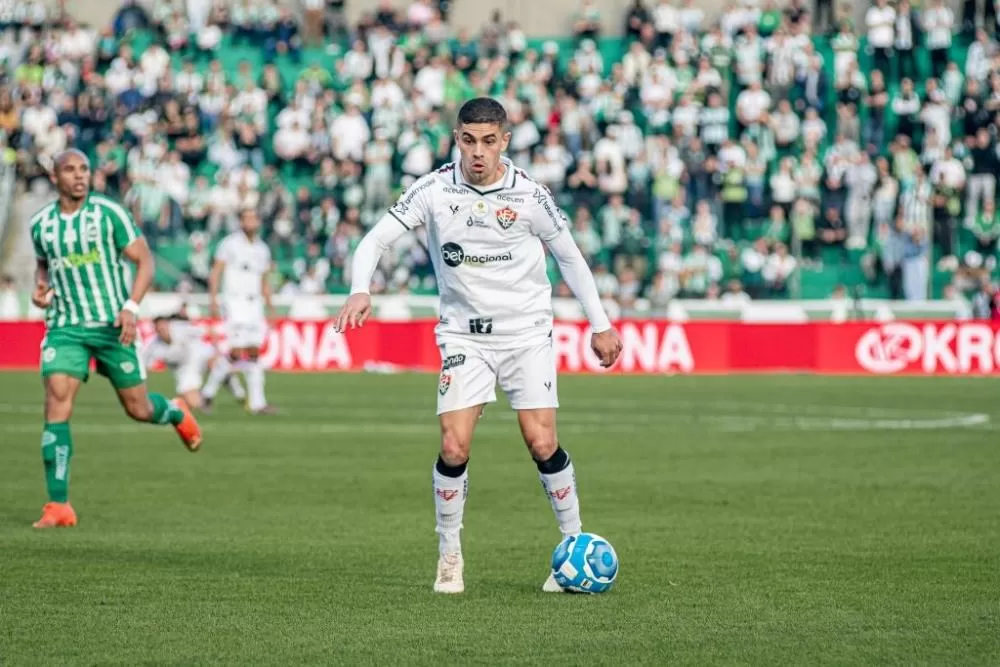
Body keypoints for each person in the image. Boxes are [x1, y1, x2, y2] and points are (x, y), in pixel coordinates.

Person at [335, 98, 623, 594]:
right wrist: (361, 287)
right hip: (464, 335)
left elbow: (571, 259)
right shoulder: (433, 189)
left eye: (489, 141)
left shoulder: (530, 194)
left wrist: (600, 322)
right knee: (454, 444)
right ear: (456, 138)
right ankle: (450, 554)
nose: (478, 152)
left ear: (505, 142)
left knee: (542, 442)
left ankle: (572, 548)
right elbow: (374, 241)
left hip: (527, 334)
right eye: (468, 140)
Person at [29, 149, 203, 529]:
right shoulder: (41, 224)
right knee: (57, 399)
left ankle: (174, 411)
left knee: (138, 409)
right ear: (55, 177)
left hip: (114, 325)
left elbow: (145, 262)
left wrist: (131, 307)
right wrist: (40, 289)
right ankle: (58, 505)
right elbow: (44, 266)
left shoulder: (109, 214)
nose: (79, 176)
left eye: (84, 169)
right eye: (70, 170)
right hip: (66, 327)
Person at [204, 208, 276, 414]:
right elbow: (216, 272)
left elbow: (264, 280)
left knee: (254, 353)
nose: (251, 222)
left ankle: (257, 403)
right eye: (247, 218)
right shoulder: (230, 244)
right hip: (235, 303)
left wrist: (270, 306)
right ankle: (208, 393)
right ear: (241, 222)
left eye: (254, 218)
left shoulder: (263, 249)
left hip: (254, 304)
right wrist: (213, 299)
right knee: (235, 353)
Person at [143, 312, 246, 411]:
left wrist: (216, 352)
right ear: (155, 330)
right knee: (192, 403)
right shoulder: (154, 347)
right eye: (159, 328)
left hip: (198, 354)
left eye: (164, 326)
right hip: (184, 369)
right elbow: (144, 369)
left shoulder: (181, 328)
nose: (162, 330)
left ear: (168, 325)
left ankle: (237, 394)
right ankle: (203, 399)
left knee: (218, 364)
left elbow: (210, 331)